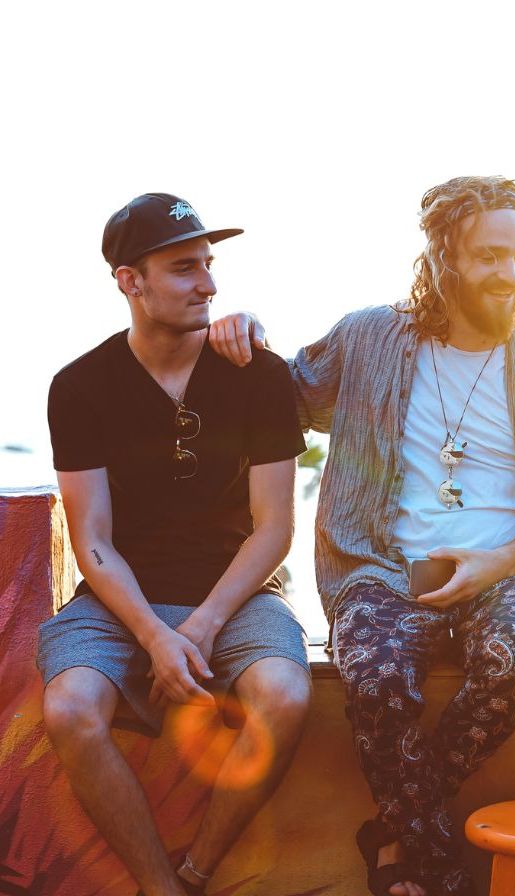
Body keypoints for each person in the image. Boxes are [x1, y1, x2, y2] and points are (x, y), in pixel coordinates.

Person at [209, 175, 515, 896]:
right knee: (379, 681)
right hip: (379, 568)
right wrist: (245, 328)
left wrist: (493, 565)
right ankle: (439, 867)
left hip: (505, 566)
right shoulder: (369, 338)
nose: (510, 274)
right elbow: (278, 395)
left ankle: (394, 837)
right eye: (489, 256)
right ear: (443, 256)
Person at [38, 194, 312, 896]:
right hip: (120, 596)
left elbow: (274, 528)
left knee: (284, 696)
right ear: (130, 281)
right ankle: (160, 887)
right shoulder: (79, 386)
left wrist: (201, 625)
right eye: (184, 268)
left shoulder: (259, 374)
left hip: (236, 592)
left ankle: (196, 874)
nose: (209, 285)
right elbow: (92, 539)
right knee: (70, 708)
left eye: (209, 265)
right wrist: (155, 636)